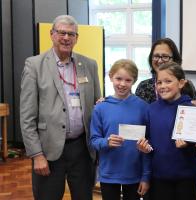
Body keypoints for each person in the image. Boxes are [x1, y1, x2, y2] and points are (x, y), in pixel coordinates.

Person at [20, 15, 101, 200]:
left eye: (71, 34)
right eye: (62, 32)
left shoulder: (89, 65)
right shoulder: (34, 65)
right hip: (48, 150)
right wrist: (36, 155)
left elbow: (97, 105)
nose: (66, 38)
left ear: (77, 38)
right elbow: (26, 117)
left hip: (81, 148)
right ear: (52, 34)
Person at [138, 62, 196, 200]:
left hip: (187, 176)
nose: (163, 86)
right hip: (159, 176)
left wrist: (189, 143)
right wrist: (144, 147)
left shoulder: (192, 109)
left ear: (181, 83)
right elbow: (147, 142)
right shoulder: (150, 110)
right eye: (159, 82)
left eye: (168, 81)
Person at [90, 59, 151, 200]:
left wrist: (146, 176)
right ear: (110, 76)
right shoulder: (100, 107)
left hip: (134, 174)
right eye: (118, 78)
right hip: (109, 174)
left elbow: (148, 144)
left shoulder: (143, 108)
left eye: (128, 80)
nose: (122, 84)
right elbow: (94, 140)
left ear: (134, 81)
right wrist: (106, 142)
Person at [135, 38, 196, 105]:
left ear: (174, 59)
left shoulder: (187, 85)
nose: (159, 61)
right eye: (156, 56)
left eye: (165, 56)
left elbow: (194, 112)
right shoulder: (144, 87)